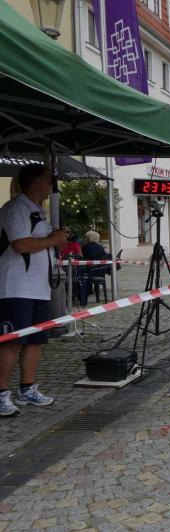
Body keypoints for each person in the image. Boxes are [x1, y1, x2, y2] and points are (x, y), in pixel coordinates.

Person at [0, 164, 69, 417]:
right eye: (49, 179)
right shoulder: (16, 208)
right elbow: (19, 244)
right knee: (11, 341)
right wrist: (52, 240)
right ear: (36, 181)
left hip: (39, 287)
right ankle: (1, 393)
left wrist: (56, 239)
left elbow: (39, 242)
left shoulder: (38, 210)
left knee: (35, 340)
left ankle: (27, 388)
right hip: (15, 286)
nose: (52, 184)